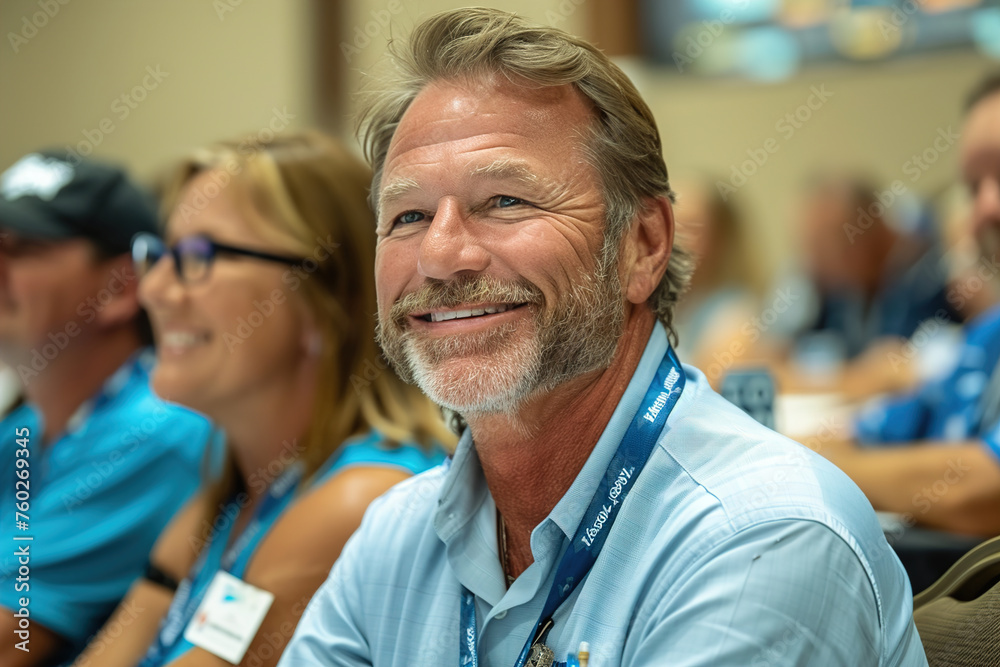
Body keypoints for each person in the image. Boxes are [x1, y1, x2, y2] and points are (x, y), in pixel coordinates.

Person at [280, 10, 925, 666]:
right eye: (409, 215)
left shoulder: (760, 534)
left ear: (642, 246)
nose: (441, 256)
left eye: (506, 200)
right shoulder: (392, 541)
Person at [72, 131, 454, 667]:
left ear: (326, 302)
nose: (155, 289)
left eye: (199, 255)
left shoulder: (356, 501)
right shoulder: (230, 493)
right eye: (158, 254)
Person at [0, 151, 214, 667]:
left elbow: (12, 639)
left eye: (22, 248)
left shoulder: (157, 431)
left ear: (121, 288)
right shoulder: (23, 430)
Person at [814, 73, 1000, 538]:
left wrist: (818, 465)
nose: (986, 209)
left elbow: (986, 491)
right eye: (974, 186)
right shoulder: (988, 335)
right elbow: (869, 429)